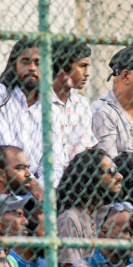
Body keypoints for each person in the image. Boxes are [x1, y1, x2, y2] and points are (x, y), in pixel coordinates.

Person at [54, 148, 123, 267]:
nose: (120, 176)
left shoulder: (105, 213)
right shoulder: (70, 219)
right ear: (91, 177)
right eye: (111, 171)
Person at [0, 40, 48, 186]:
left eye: (38, 63)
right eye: (26, 61)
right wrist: (34, 185)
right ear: (14, 64)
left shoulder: (49, 104)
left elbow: (53, 158)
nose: (32, 68)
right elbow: (6, 152)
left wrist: (42, 187)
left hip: (39, 186)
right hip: (2, 182)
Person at [51, 39, 94, 182]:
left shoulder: (82, 104)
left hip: (77, 183)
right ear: (63, 67)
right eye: (83, 66)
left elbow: (88, 150)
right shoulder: (41, 103)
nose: (87, 73)